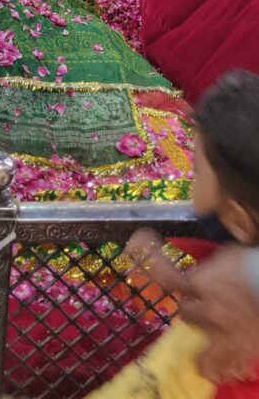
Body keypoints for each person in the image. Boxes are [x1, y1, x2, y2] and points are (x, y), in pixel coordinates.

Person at [90, 71, 259, 396]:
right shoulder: (230, 278)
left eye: (196, 173)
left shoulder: (227, 341)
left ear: (239, 219)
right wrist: (174, 277)